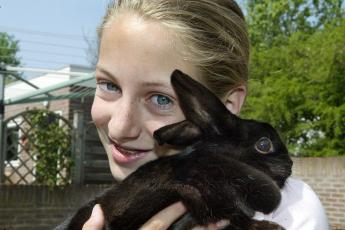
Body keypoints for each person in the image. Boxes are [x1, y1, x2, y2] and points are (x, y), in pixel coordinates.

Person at [83, 0, 329, 229]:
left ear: (228, 107)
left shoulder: (292, 214)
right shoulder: (101, 213)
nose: (119, 127)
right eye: (109, 85)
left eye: (161, 99)